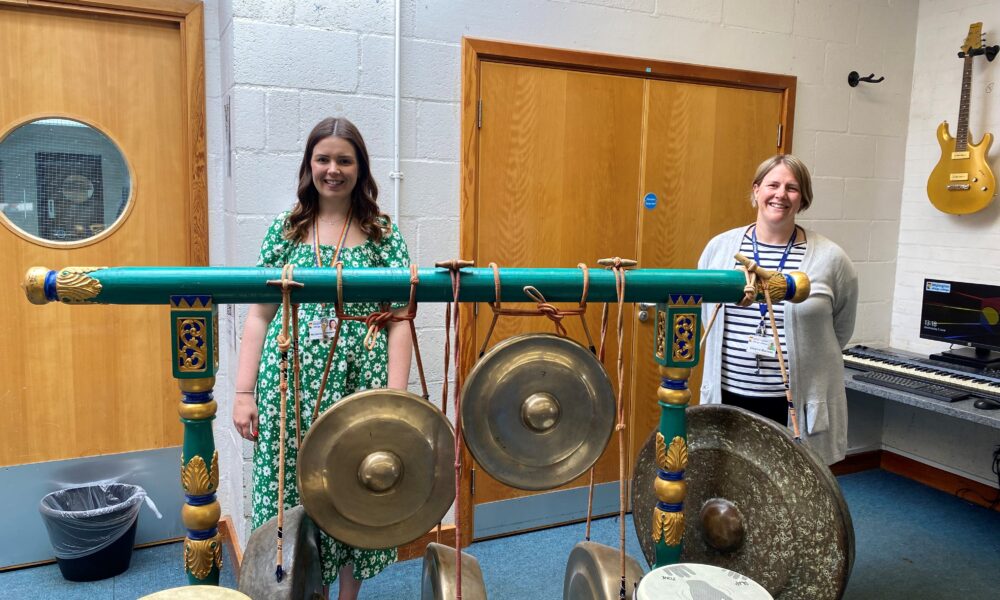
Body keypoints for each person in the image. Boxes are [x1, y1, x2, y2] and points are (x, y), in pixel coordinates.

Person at [233, 117, 412, 599]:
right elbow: (259, 316)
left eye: (344, 160)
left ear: (361, 167)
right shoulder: (285, 230)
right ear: (309, 164)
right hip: (290, 385)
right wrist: (243, 392)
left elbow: (399, 319)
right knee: (287, 490)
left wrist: (397, 399)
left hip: (361, 380)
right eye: (323, 159)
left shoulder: (382, 234)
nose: (333, 169)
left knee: (358, 487)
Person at [697, 154, 858, 465]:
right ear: (757, 190)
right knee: (730, 483)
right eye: (772, 184)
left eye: (792, 188)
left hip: (791, 403)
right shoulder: (720, 248)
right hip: (730, 395)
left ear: (803, 199)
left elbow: (840, 330)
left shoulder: (831, 259)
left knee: (795, 493)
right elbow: (706, 314)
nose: (780, 194)